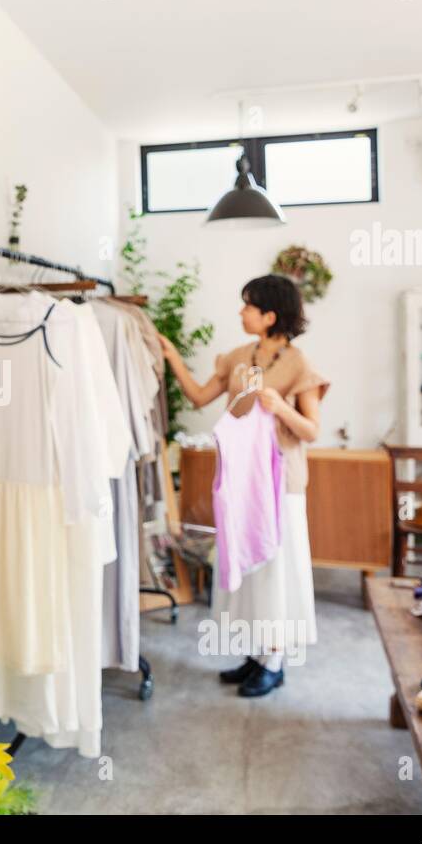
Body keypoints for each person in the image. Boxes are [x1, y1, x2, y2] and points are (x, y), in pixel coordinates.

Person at [158, 275, 329, 697]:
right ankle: (256, 655)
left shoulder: (299, 365)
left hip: (280, 481)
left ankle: (275, 661)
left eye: (248, 305)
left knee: (275, 566)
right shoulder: (238, 358)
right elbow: (199, 397)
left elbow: (311, 431)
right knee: (246, 562)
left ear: (270, 315)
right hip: (241, 480)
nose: (241, 311)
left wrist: (280, 409)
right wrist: (172, 356)